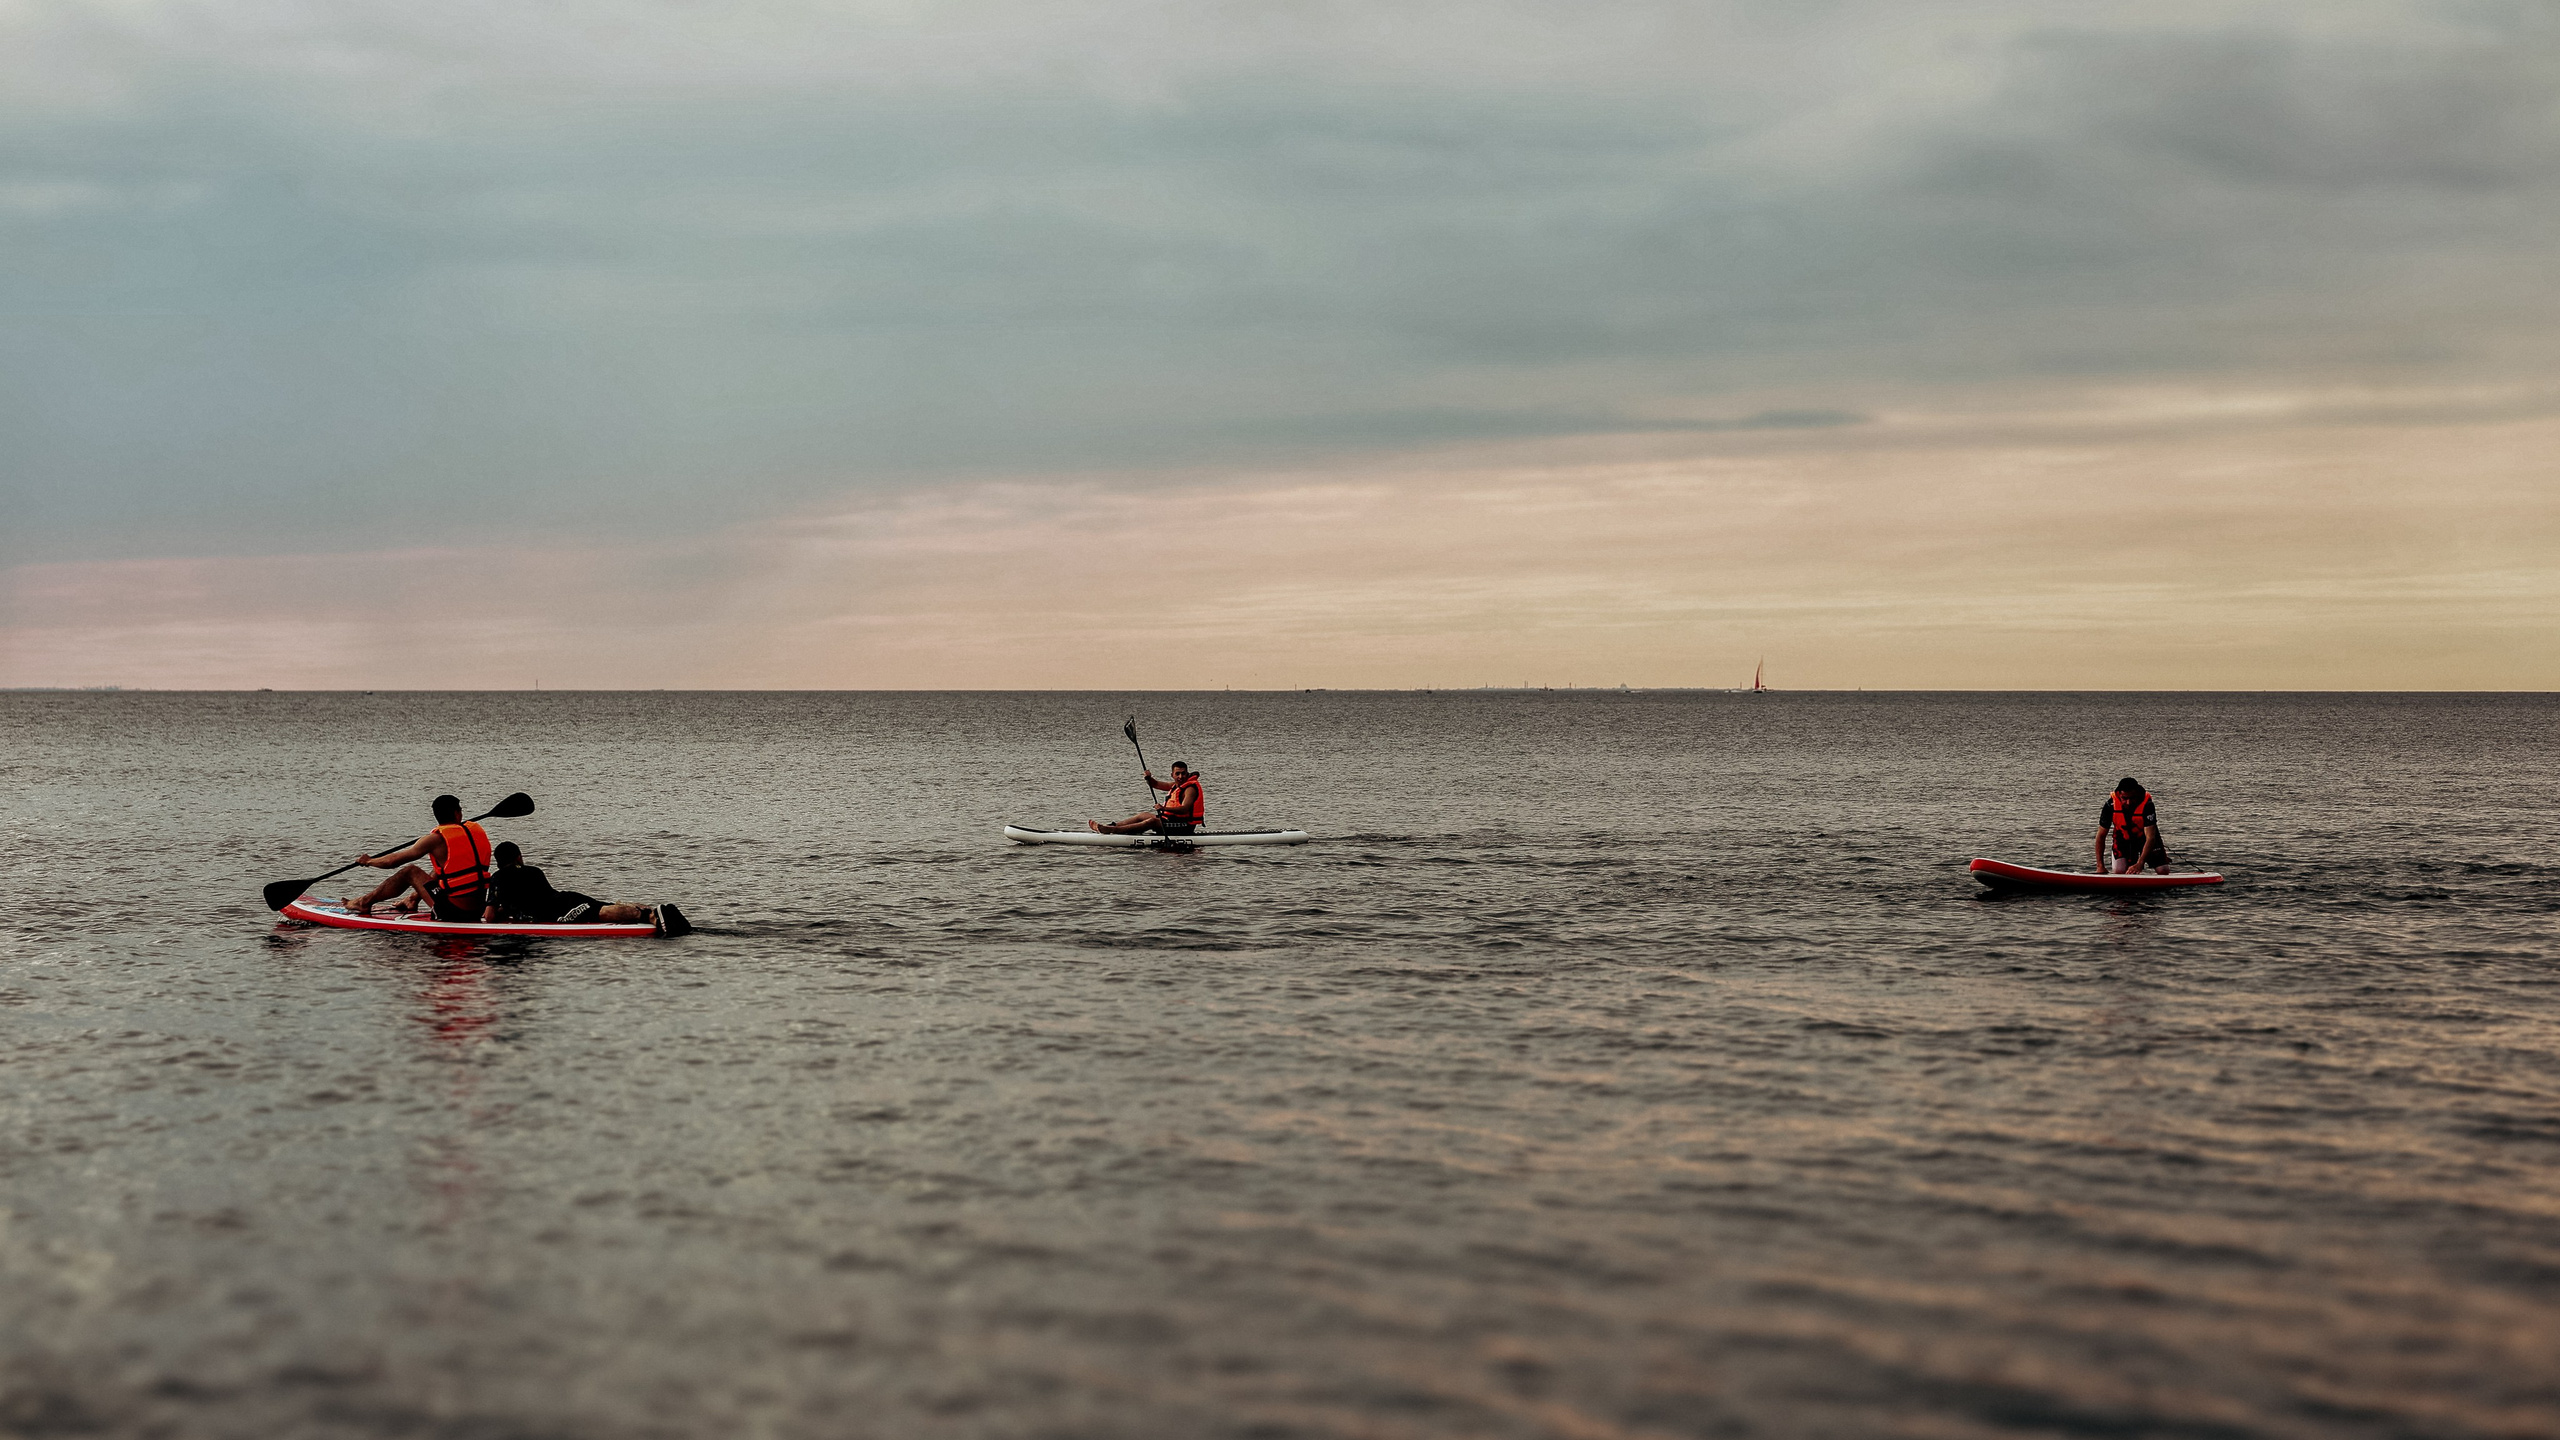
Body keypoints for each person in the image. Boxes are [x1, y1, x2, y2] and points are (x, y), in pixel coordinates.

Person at [347, 794, 494, 920]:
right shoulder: (476, 832)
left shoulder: (434, 840)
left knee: (410, 871)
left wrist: (369, 861)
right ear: (457, 814)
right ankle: (412, 899)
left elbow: (392, 861)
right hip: (480, 909)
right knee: (441, 869)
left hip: (452, 912)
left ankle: (364, 902)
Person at [481, 842, 664, 927]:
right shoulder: (534, 870)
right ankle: (650, 909)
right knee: (604, 906)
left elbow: (489, 917)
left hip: (559, 912)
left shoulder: (498, 877)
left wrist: (497, 910)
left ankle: (649, 918)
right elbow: (532, 896)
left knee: (600, 913)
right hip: (565, 898)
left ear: (499, 862)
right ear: (519, 857)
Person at [1091, 761, 1205, 836]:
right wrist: (1149, 778)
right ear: (1172, 775)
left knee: (1152, 821)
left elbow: (1185, 809)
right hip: (1172, 820)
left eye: (1183, 773)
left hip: (1185, 826)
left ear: (1187, 774)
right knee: (1143, 815)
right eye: (1178, 774)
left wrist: (1164, 808)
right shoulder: (1176, 785)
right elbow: (1156, 784)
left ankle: (1112, 831)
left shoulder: (1190, 789)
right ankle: (1111, 826)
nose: (1181, 776)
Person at [2095, 777, 2176, 874]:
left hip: (2145, 839)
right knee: (2119, 871)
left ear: (2137, 794)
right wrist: (2100, 866)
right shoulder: (2110, 805)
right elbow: (2101, 836)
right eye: (2124, 798)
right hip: (2123, 839)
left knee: (2163, 871)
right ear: (2119, 794)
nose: (2128, 802)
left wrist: (2140, 863)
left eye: (2132, 798)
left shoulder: (2147, 805)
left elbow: (2150, 837)